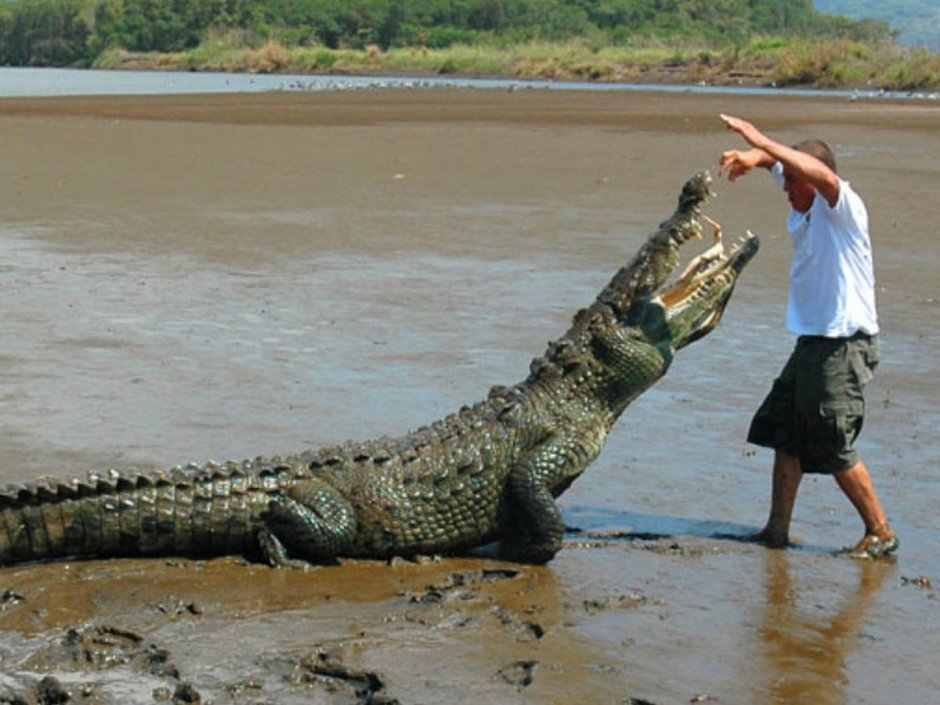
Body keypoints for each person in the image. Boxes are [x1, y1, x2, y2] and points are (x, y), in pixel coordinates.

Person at [717, 113, 898, 559]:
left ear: (814, 183)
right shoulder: (802, 191)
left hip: (844, 344)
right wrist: (752, 155)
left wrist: (760, 137)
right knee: (785, 431)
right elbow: (780, 165)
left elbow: (817, 172)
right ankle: (776, 530)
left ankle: (880, 531)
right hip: (813, 342)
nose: (787, 190)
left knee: (832, 439)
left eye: (793, 183)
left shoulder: (843, 207)